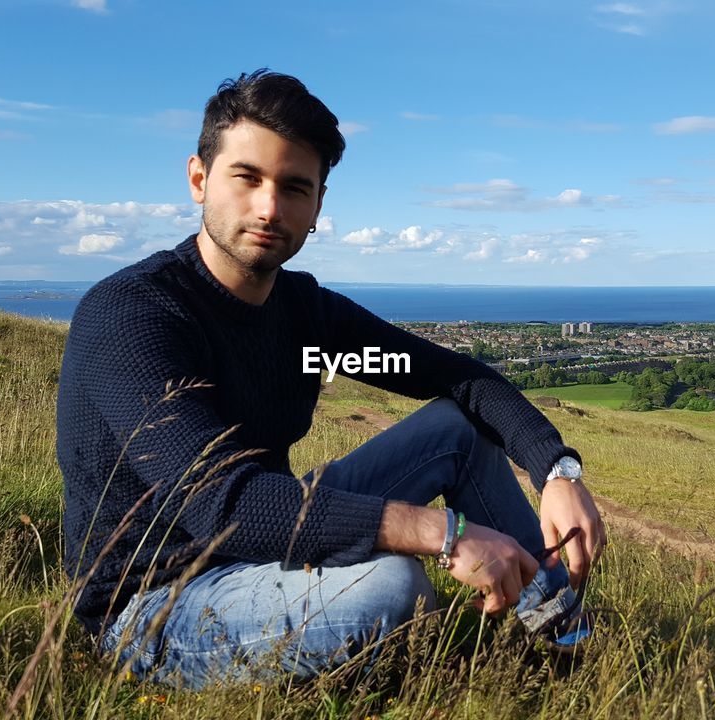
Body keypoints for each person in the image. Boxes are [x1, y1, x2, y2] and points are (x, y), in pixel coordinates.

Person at [55, 70, 605, 690]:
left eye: (294, 187)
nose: (269, 207)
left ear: (317, 207)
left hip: (267, 544)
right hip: (157, 604)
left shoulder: (306, 317)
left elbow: (459, 378)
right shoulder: (132, 316)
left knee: (456, 427)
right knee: (393, 585)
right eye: (247, 177)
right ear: (198, 178)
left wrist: (557, 470)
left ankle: (562, 636)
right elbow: (224, 503)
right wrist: (445, 533)